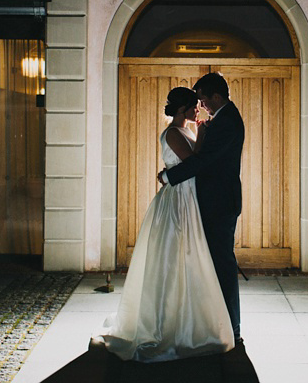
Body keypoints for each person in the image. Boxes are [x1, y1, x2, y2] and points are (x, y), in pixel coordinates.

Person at [99, 86, 234, 362]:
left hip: (189, 196)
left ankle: (188, 318)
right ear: (183, 109)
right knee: (172, 258)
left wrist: (200, 135)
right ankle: (165, 322)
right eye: (194, 106)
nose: (198, 109)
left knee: (190, 257)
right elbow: (192, 161)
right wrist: (203, 135)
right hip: (178, 200)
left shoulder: (186, 130)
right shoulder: (173, 132)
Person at [159, 72, 244, 343]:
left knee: (221, 264)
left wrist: (167, 177)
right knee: (208, 263)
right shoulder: (222, 120)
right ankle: (213, 322)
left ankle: (231, 328)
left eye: (204, 100)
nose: (202, 106)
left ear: (216, 96)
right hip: (210, 200)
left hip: (218, 202)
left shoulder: (227, 122)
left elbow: (203, 161)